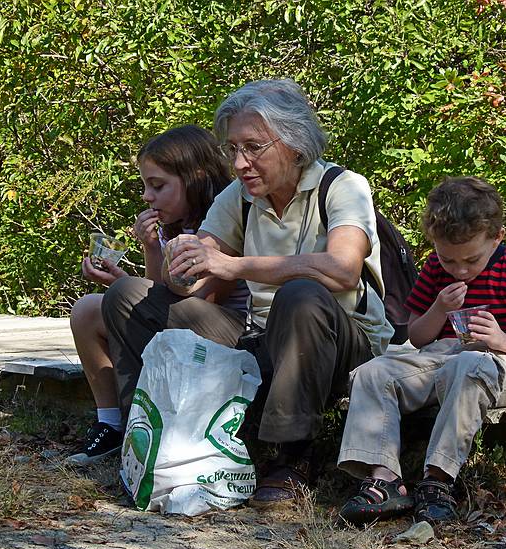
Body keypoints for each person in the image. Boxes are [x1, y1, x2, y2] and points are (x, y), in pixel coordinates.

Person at [102, 79, 394, 507]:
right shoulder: (237, 197)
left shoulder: (342, 186)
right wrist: (179, 259)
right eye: (233, 149)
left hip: (344, 344)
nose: (240, 163)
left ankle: (292, 456)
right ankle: (145, 438)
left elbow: (343, 271)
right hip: (262, 342)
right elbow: (193, 284)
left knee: (301, 293)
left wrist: (232, 265)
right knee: (127, 295)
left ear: (294, 143)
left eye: (253, 147)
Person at [336, 176, 506, 525]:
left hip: (498, 362)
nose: (460, 270)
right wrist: (439, 307)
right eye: (449, 260)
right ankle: (385, 479)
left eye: (471, 259)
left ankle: (438, 480)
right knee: (374, 371)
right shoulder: (436, 270)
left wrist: (501, 340)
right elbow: (418, 336)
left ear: (496, 237)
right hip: (438, 356)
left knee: (468, 364)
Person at [67, 125, 243, 466]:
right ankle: (111, 425)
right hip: (185, 315)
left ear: (195, 177)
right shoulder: (172, 227)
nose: (148, 196)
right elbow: (159, 295)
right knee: (88, 309)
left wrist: (128, 290)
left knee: (127, 295)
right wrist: (145, 254)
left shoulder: (224, 221)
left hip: (227, 331)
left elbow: (200, 302)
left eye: (158, 186)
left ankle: (143, 428)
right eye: (146, 185)